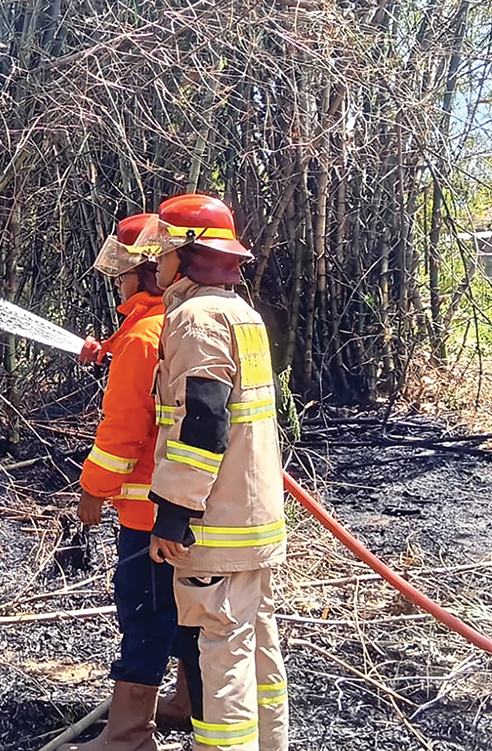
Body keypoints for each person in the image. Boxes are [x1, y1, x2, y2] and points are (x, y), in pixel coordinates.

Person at [144, 194, 288, 751]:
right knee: (256, 647)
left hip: (216, 524)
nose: (156, 261)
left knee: (219, 653)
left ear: (189, 254)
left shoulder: (196, 319)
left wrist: (173, 513)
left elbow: (201, 424)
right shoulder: (239, 314)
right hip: (252, 522)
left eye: (164, 249)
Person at [70, 213, 201, 751]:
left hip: (148, 514)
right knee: (186, 612)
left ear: (150, 272)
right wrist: (109, 352)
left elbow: (122, 432)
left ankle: (126, 735)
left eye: (125, 272)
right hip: (185, 508)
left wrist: (91, 491)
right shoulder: (162, 326)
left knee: (143, 614)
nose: (118, 282)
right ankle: (189, 704)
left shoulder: (141, 337)